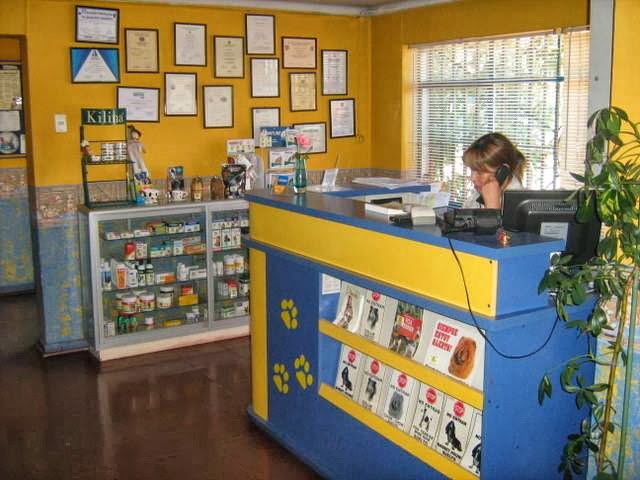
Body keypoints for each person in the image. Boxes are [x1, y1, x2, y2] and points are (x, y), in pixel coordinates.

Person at [462, 132, 525, 209]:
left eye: (480, 172)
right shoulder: (476, 197)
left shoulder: (520, 206)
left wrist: (492, 206)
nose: (473, 178)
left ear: (502, 171)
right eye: (472, 170)